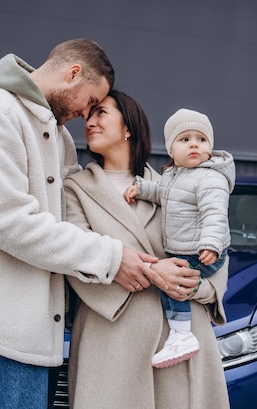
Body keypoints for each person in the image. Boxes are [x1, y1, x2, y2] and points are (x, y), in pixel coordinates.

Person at [0, 39, 170, 409]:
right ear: (72, 73)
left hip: (40, 329)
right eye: (90, 102)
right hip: (3, 328)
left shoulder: (54, 132)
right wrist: (112, 258)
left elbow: (74, 214)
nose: (86, 115)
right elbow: (10, 223)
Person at [64, 90, 230, 409]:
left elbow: (218, 238)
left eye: (101, 113)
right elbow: (74, 256)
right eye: (89, 115)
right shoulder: (75, 190)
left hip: (182, 340)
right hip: (112, 341)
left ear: (128, 128)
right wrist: (154, 272)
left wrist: (201, 287)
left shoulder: (180, 183)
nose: (90, 121)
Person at [123, 108, 235, 368]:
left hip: (201, 250)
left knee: (172, 283)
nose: (194, 144)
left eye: (201, 139)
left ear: (210, 147)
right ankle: (180, 334)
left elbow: (215, 214)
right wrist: (141, 189)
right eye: (185, 140)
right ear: (172, 151)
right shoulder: (175, 176)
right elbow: (163, 194)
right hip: (185, 248)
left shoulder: (210, 178)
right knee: (172, 278)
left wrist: (211, 244)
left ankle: (182, 336)